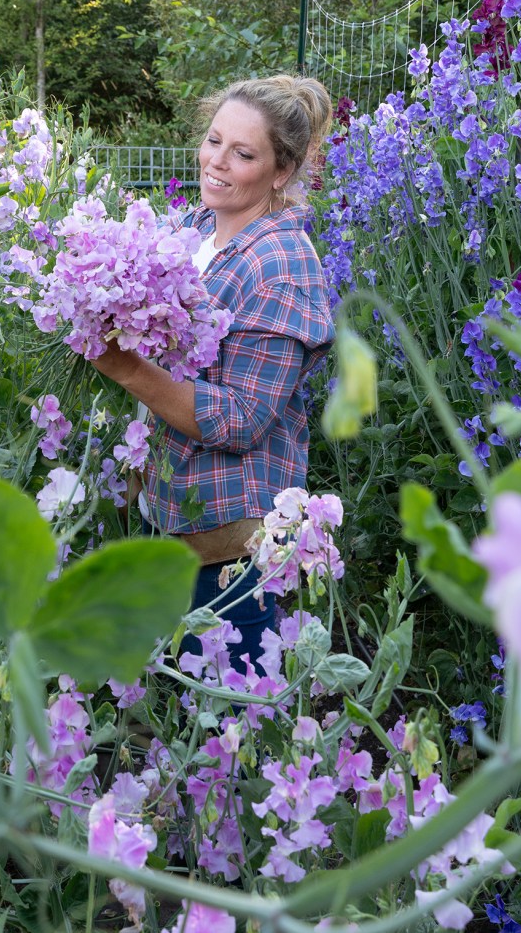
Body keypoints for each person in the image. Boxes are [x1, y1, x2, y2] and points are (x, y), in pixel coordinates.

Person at [89, 74, 335, 671]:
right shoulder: (196, 232)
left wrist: (121, 365)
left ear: (281, 172)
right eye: (214, 140)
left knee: (226, 722)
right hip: (170, 520)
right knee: (175, 717)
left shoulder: (284, 264)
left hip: (229, 545)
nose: (217, 162)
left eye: (243, 153)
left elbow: (242, 418)